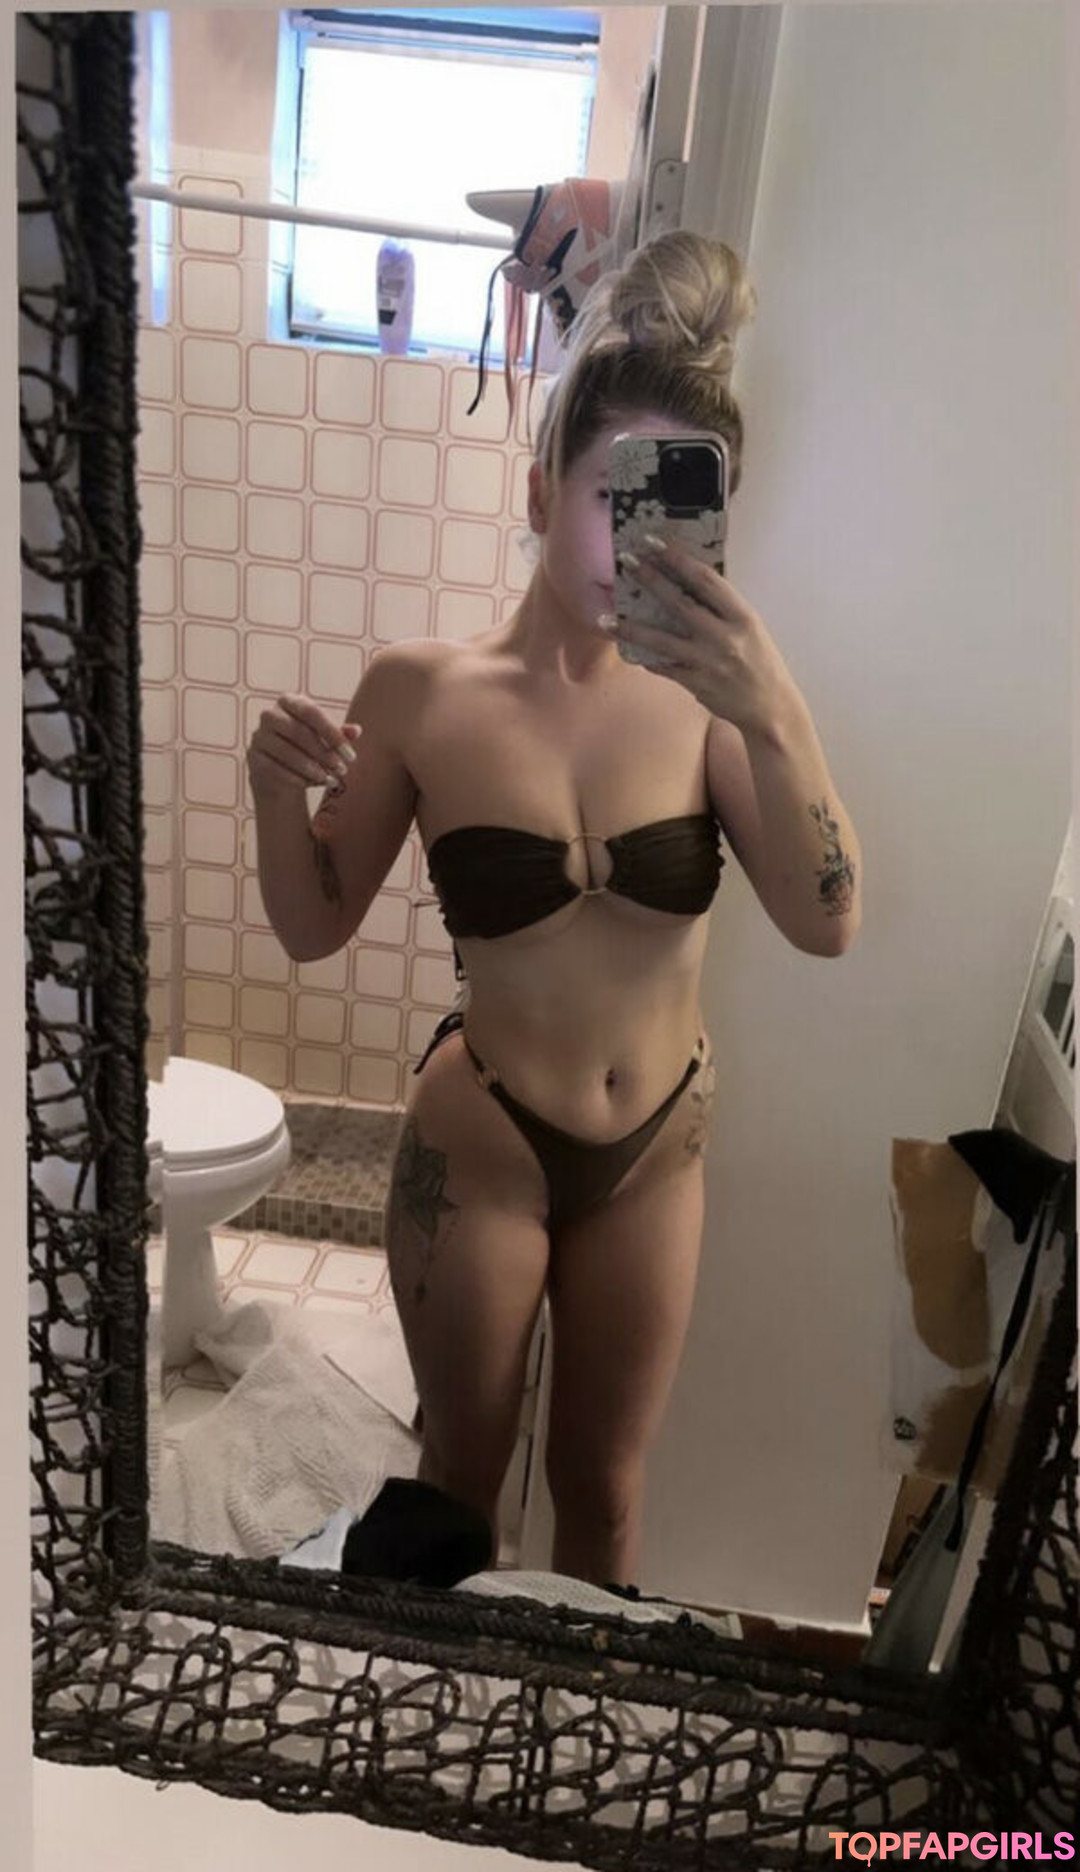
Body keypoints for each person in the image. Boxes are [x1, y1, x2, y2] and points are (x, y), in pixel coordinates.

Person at [247, 232, 862, 1589]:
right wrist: (272, 795)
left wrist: (777, 711)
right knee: (460, 1478)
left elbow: (829, 921)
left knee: (605, 1491)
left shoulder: (717, 707)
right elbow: (311, 926)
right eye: (612, 491)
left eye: (682, 500)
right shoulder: (421, 693)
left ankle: (561, 1715)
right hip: (482, 1146)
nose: (639, 539)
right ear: (541, 488)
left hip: (657, 1151)